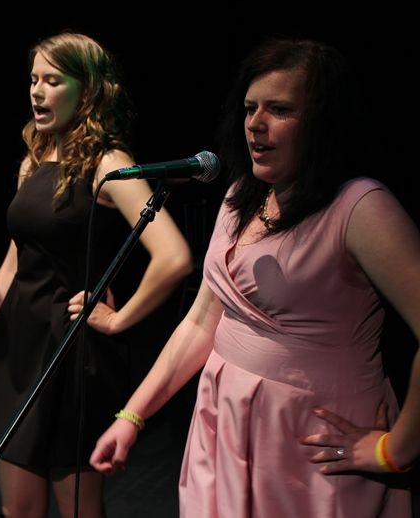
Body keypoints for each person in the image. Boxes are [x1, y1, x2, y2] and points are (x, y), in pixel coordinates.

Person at [90, 38, 420, 517]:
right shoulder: (241, 195)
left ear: (323, 121)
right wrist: (132, 415)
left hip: (312, 440)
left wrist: (398, 449)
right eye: (250, 108)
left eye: (279, 110)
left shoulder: (360, 208)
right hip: (226, 420)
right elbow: (201, 322)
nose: (255, 124)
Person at [0, 32, 192, 517]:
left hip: (70, 350)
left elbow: (174, 256)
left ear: (88, 90)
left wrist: (118, 319)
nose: (37, 91)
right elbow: (13, 264)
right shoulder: (34, 160)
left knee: (79, 510)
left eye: (53, 81)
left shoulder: (109, 164)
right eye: (33, 80)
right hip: (16, 346)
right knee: (19, 510)